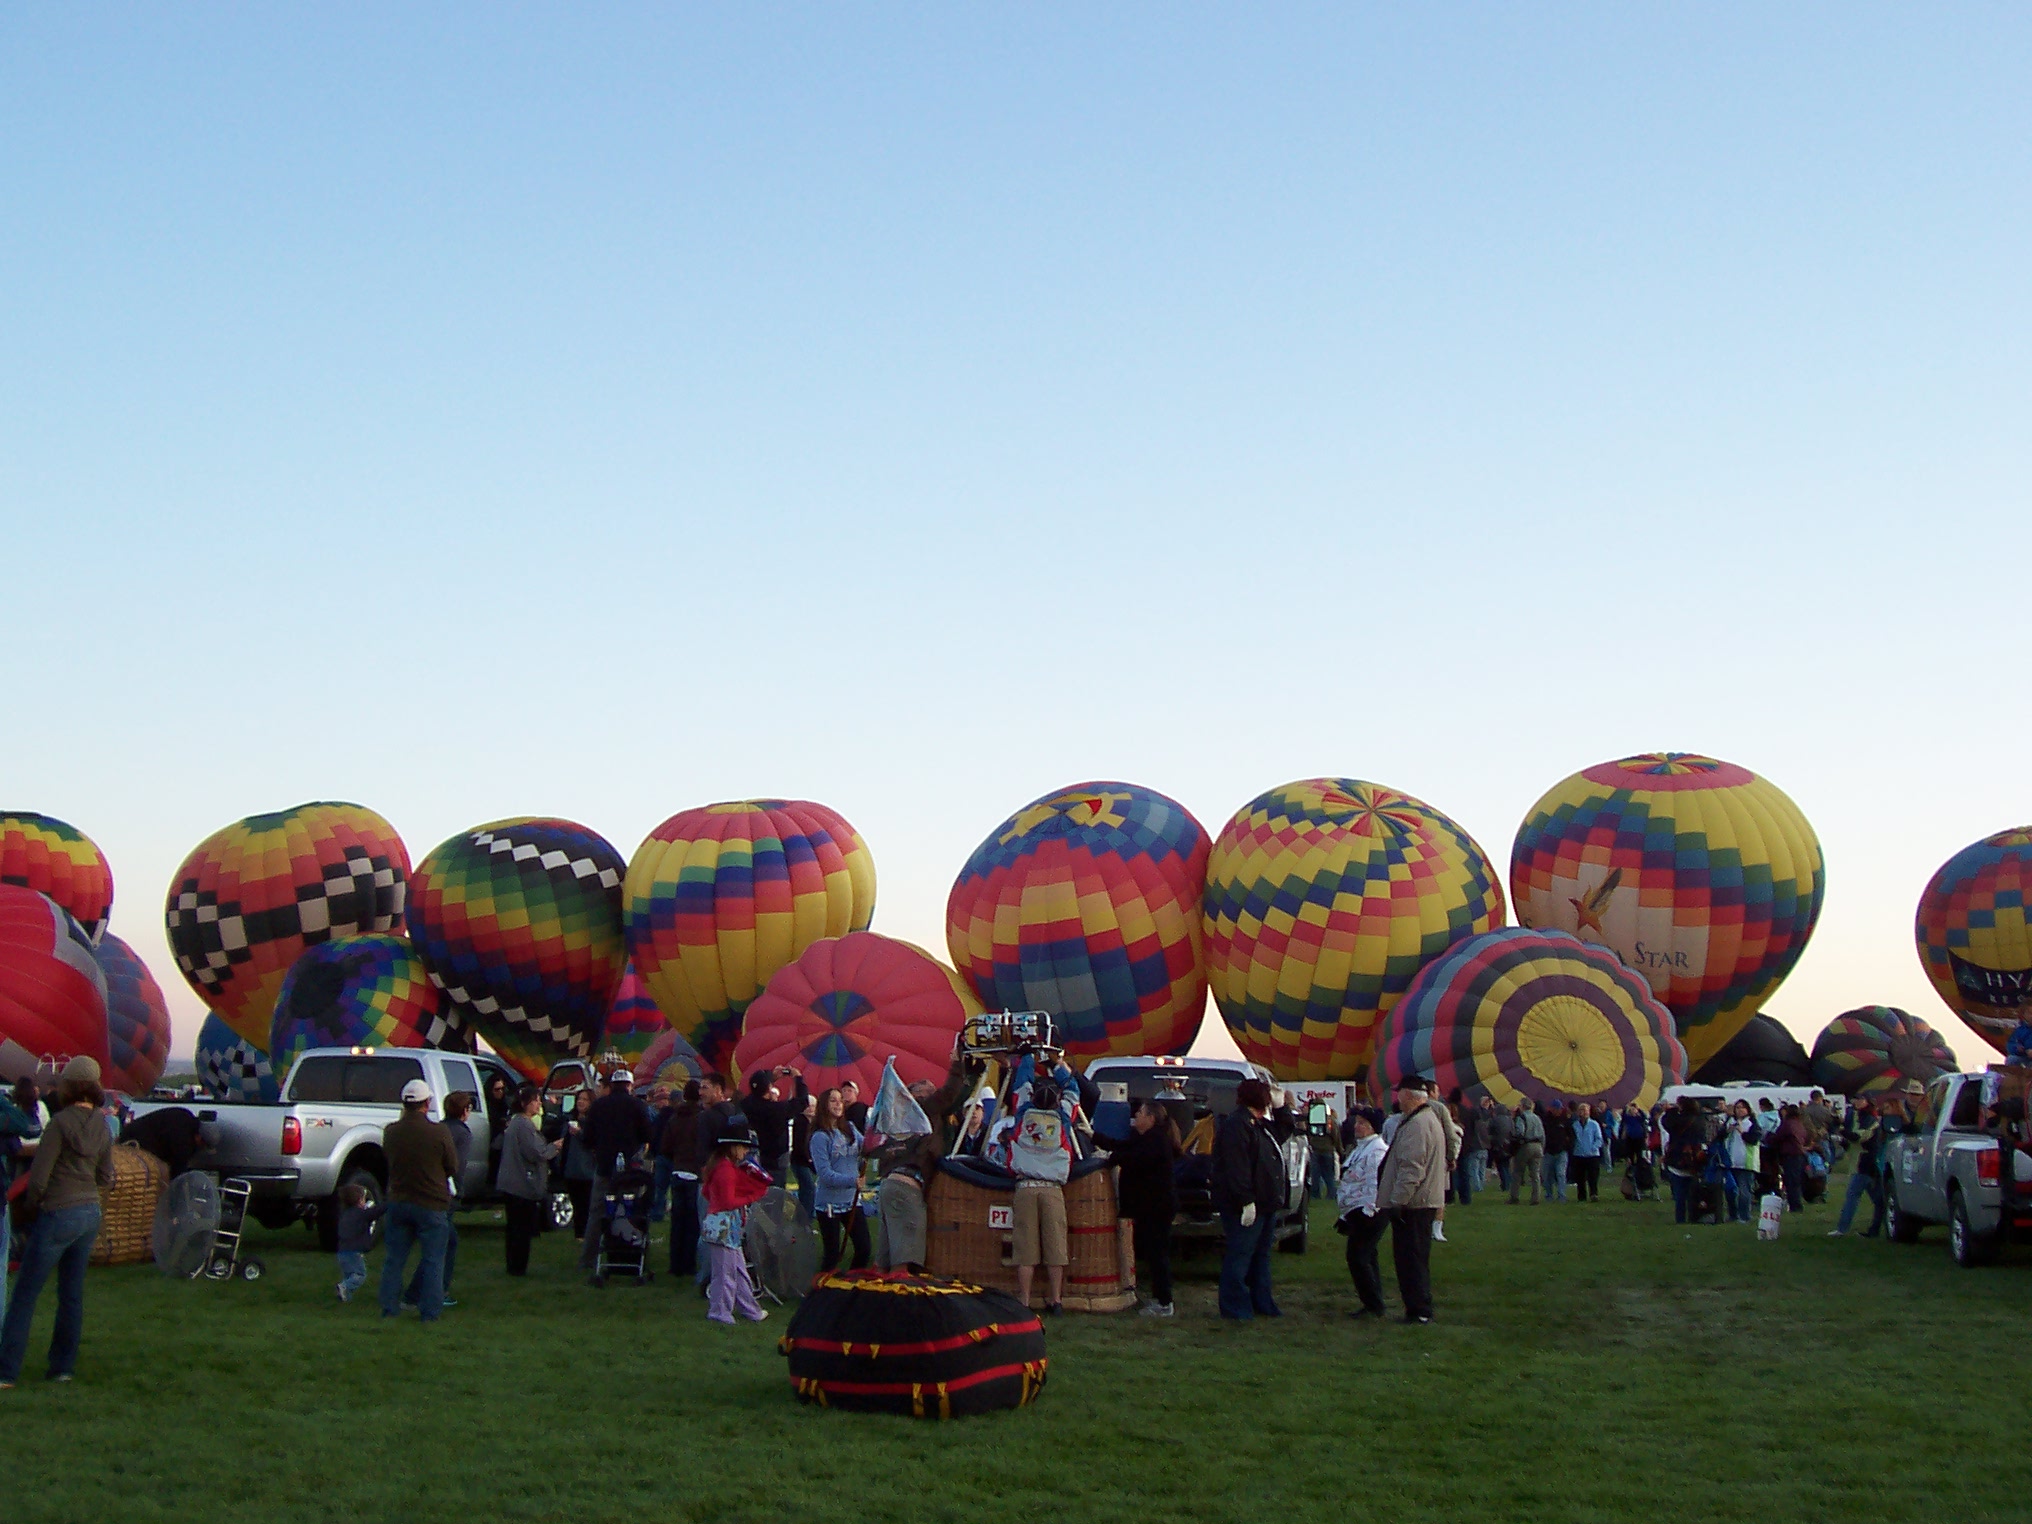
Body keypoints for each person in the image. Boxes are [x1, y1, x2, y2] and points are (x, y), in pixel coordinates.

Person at [0, 1057, 114, 1388]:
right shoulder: (103, 1126)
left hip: (58, 1211)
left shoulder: (60, 1124)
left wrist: (33, 1205)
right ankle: (62, 1368)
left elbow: (38, 1177)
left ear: (67, 1086)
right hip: (89, 1212)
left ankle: (6, 1371)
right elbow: (107, 1175)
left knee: (26, 1292)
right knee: (71, 1294)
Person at [993, 1072, 1078, 1313]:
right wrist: (1058, 1067)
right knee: (1056, 1246)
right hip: (1052, 1189)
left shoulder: (1023, 1115)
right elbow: (1074, 1091)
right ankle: (1056, 1300)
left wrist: (1027, 1055)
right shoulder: (1062, 1118)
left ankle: (1024, 1301)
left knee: (1025, 1248)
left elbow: (1020, 1083)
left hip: (1026, 1187)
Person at [379, 1079, 460, 1322]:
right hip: (431, 1204)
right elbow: (452, 1166)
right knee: (433, 1260)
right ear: (427, 1103)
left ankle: (389, 1309)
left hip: (399, 1200)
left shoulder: (391, 1131)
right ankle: (430, 1313)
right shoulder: (439, 1132)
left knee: (394, 1260)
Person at [1099, 1098, 1183, 1318]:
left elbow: (1134, 1158)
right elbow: (1124, 1147)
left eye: (1140, 1113)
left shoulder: (1156, 1142)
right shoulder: (1145, 1139)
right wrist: (1095, 1138)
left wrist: (1111, 1158)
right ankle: (1159, 1298)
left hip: (1157, 1207)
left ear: (1151, 1118)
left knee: (1158, 1254)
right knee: (1154, 1252)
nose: (1135, 1116)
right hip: (1151, 1207)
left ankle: (1164, 1302)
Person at [1211, 1078, 1286, 1321]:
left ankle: (1261, 1302)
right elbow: (1237, 1166)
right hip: (1246, 1202)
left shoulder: (1258, 1124)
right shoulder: (1238, 1125)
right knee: (1241, 1254)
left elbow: (1284, 1132)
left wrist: (1282, 1108)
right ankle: (1235, 1307)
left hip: (1265, 1202)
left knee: (1260, 1255)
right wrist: (1245, 1200)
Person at [1376, 1076, 1445, 1324]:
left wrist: (1397, 1201)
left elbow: (1412, 1168)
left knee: (1410, 1260)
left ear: (1409, 1094)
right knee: (1415, 1258)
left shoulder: (1418, 1125)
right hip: (1421, 1202)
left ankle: (1419, 1311)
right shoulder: (1423, 1119)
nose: (1397, 1098)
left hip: (1414, 1205)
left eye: (1400, 1093)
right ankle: (1418, 1308)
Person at [578, 1068, 651, 1273]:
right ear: (629, 1085)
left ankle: (589, 1259)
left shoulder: (599, 1106)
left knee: (597, 1213)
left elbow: (587, 1138)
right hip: (630, 1170)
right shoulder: (637, 1105)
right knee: (630, 1211)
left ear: (612, 1085)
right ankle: (630, 1256)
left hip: (604, 1167)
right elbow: (647, 1134)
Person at [700, 1123, 772, 1324]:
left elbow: (707, 1193)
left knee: (739, 1271)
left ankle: (750, 1309)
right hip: (724, 1226)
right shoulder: (727, 1170)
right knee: (725, 1274)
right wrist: (751, 1196)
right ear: (733, 1147)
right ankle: (719, 1312)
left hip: (722, 1225)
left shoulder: (719, 1166)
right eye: (743, 1147)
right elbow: (728, 1202)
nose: (746, 1151)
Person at [409, 1090, 473, 1308]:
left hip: (427, 1189)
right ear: (465, 1110)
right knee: (442, 1242)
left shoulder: (438, 1128)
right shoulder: (462, 1133)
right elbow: (457, 1166)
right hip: (445, 1192)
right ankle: (425, 1292)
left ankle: (421, 1292)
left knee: (443, 1241)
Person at [496, 1083, 559, 1276]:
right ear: (525, 1103)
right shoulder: (523, 1125)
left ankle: (514, 1266)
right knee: (520, 1229)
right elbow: (534, 1153)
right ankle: (518, 1267)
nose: (539, 1104)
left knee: (514, 1227)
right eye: (536, 1100)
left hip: (512, 1183)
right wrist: (554, 1147)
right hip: (521, 1185)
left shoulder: (515, 1122)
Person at [809, 1087, 871, 1272]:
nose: (838, 1104)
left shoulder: (850, 1129)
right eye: (833, 1100)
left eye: (840, 1100)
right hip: (829, 1204)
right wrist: (853, 1180)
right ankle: (823, 1291)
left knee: (864, 1248)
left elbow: (867, 1147)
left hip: (852, 1201)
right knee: (832, 1254)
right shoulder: (820, 1137)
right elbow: (825, 1174)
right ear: (824, 1105)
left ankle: (849, 1286)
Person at [1337, 1106, 1390, 1318]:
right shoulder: (1361, 1148)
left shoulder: (1376, 1151)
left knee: (1358, 1256)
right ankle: (1374, 1301)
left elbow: (1374, 1184)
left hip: (1369, 1210)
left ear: (1372, 1128)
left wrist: (1369, 1211)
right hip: (1357, 1209)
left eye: (1362, 1124)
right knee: (1367, 1256)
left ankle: (1373, 1304)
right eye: (1356, 1122)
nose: (1356, 1127)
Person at [658, 1079, 706, 1279]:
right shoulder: (702, 1119)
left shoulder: (674, 1118)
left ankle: (675, 1264)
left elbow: (665, 1147)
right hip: (694, 1173)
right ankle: (688, 1263)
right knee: (693, 1221)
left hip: (678, 1171)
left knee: (677, 1221)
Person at [1830, 1096, 1887, 1237]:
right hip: (1864, 1164)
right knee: (1880, 1201)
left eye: (1861, 1099)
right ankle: (1876, 1230)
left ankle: (1842, 1229)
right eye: (1855, 1099)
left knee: (1853, 1196)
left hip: (1865, 1164)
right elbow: (1850, 1141)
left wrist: (1842, 1131)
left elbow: (1858, 1137)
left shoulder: (1871, 1120)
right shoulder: (1858, 1117)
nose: (1856, 1101)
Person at [744, 1066, 809, 1183]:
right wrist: (798, 1078)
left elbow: (755, 1095)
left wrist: (770, 1081)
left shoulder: (747, 1105)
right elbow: (803, 1102)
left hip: (754, 1158)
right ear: (769, 1089)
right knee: (775, 1196)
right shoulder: (777, 1109)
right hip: (776, 1162)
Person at [1661, 1096, 1711, 1224]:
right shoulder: (1700, 1119)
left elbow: (1666, 1123)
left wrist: (1669, 1111)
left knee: (1680, 1193)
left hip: (1679, 1157)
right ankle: (1694, 1216)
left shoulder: (1679, 1120)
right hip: (1695, 1158)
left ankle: (1680, 1218)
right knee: (1694, 1191)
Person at [333, 1183, 383, 1302]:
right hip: (354, 1252)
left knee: (349, 1275)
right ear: (360, 1200)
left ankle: (345, 1298)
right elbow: (376, 1212)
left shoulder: (345, 1214)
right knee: (359, 1275)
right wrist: (389, 1204)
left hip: (341, 1251)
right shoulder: (361, 1214)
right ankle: (344, 1287)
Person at [1772, 1103, 1811, 1212]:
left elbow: (1778, 1137)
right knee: (1796, 1181)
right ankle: (1797, 1204)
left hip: (1790, 1154)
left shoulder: (1787, 1124)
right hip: (1800, 1154)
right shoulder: (1799, 1124)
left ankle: (1795, 1205)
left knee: (1791, 1181)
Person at [1508, 1099, 1545, 1205]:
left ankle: (1514, 1197)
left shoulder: (1522, 1117)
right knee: (1535, 1174)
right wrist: (1542, 1147)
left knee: (1518, 1172)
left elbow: (1520, 1132)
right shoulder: (1537, 1118)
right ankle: (1535, 1198)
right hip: (1538, 1145)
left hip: (1526, 1145)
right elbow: (1543, 1135)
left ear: (1522, 1106)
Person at [1455, 1093, 1488, 1201]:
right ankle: (1480, 1186)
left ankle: (1477, 1187)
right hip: (1483, 1148)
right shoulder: (1482, 1124)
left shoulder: (1471, 1126)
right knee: (1481, 1169)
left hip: (1474, 1148)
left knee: (1473, 1169)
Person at [1570, 1102, 1605, 1203]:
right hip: (1579, 1154)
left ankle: (1594, 1194)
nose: (1584, 1113)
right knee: (1580, 1177)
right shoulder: (1575, 1125)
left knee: (1593, 1176)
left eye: (1585, 1110)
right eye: (1581, 1110)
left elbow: (1599, 1139)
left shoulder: (1594, 1124)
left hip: (1592, 1155)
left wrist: (1593, 1148)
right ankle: (1581, 1196)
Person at [790, 1091, 817, 1215]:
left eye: (813, 1106)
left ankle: (803, 1216)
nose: (811, 1109)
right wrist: (809, 1159)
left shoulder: (812, 1124)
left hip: (805, 1161)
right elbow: (799, 1145)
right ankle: (805, 1217)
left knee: (806, 1189)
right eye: (809, 1106)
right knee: (809, 1188)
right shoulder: (801, 1122)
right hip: (800, 1161)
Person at [1541, 1101, 1572, 1203]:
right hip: (1548, 1152)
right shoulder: (1545, 1120)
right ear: (1552, 1109)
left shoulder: (1565, 1120)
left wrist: (1567, 1147)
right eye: (1557, 1109)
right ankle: (1549, 1195)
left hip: (1561, 1152)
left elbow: (1571, 1135)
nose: (1559, 1111)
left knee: (1561, 1174)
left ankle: (1561, 1195)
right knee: (1547, 1175)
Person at [1484, 1099, 1514, 1193]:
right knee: (1506, 1165)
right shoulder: (1510, 1120)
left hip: (1498, 1146)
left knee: (1501, 1167)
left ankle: (1505, 1185)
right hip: (1509, 1146)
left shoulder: (1494, 1120)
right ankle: (1508, 1184)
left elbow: (1488, 1130)